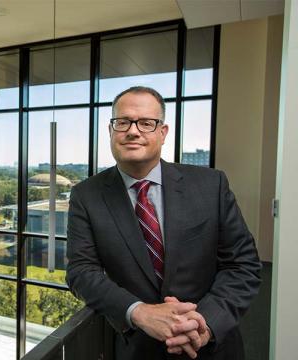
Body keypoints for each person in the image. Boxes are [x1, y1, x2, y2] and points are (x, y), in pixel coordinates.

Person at [66, 86, 261, 359]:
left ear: (163, 132)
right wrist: (138, 311)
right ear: (111, 131)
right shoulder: (86, 195)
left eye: (146, 123)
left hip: (210, 346)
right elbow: (81, 272)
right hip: (137, 348)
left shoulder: (211, 185)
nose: (133, 131)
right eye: (122, 122)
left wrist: (202, 324)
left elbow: (243, 264)